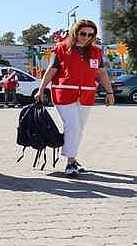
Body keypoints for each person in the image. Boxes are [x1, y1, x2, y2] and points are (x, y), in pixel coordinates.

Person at [35, 19, 113, 177]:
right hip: (64, 94)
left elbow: (102, 73)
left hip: (86, 95)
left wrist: (109, 92)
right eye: (83, 33)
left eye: (90, 35)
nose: (86, 37)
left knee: (79, 129)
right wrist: (41, 89)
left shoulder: (96, 52)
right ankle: (70, 163)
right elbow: (51, 70)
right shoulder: (60, 49)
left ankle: (73, 158)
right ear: (75, 32)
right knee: (73, 126)